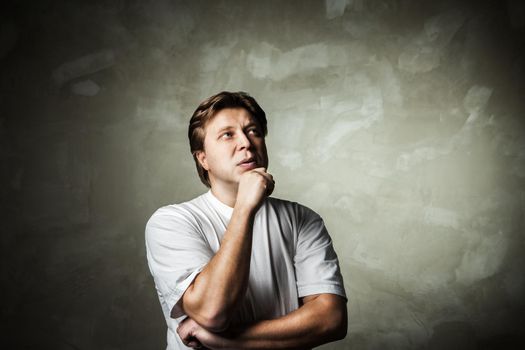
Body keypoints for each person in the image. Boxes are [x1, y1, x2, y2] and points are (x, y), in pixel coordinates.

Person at [145, 91, 347, 349]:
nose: (247, 143)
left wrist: (228, 342)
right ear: (203, 158)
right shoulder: (171, 222)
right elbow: (211, 312)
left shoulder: (303, 220)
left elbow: (331, 319)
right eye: (227, 134)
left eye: (253, 131)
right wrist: (245, 207)